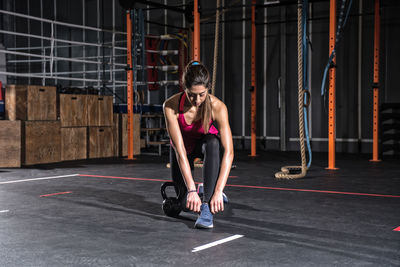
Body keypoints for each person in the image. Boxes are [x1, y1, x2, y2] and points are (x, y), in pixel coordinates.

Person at [163, 61, 234, 229]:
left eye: (202, 94)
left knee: (212, 143)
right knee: (183, 204)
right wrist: (192, 190)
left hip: (205, 148)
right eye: (191, 94)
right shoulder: (170, 106)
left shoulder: (218, 107)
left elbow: (229, 152)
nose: (197, 100)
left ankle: (207, 206)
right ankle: (200, 189)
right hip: (183, 151)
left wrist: (218, 190)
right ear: (184, 87)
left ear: (208, 88)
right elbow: (180, 153)